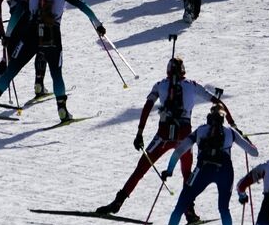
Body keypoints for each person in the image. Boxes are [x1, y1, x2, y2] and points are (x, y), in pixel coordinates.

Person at [97, 56, 231, 215]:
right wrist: (232, 123)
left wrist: (140, 132)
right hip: (184, 136)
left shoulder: (160, 85)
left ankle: (118, 202)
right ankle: (189, 211)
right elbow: (218, 103)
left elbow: (147, 107)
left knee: (141, 168)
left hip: (163, 135)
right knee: (187, 174)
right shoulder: (192, 85)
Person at [0, 0, 105, 123]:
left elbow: (17, 14)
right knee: (56, 74)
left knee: (13, 68)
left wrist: (8, 35)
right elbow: (83, 6)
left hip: (31, 33)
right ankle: (62, 108)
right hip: (53, 34)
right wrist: (98, 24)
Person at [144, 104, 258, 225]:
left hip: (202, 170)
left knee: (182, 203)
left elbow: (179, 151)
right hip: (224, 171)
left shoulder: (201, 131)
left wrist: (169, 170)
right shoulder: (230, 133)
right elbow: (254, 152)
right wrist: (246, 139)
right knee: (224, 209)